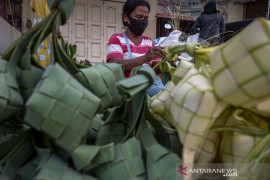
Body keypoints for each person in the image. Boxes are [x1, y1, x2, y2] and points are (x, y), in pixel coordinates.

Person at [106, 0, 164, 97]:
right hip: (127, 93)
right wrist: (145, 58)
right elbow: (115, 67)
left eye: (146, 18)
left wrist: (166, 60)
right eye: (139, 17)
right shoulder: (117, 39)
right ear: (126, 18)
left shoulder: (148, 41)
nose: (143, 21)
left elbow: (156, 69)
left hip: (148, 90)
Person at [30, 0, 61, 68]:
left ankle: (38, 69)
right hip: (47, 22)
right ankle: (47, 70)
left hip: (37, 22)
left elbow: (32, 6)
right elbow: (48, 11)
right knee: (50, 49)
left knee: (38, 48)